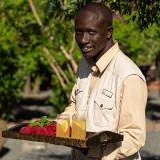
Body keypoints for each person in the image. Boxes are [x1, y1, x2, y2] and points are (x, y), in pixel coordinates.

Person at [62, 2, 147, 160]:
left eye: (91, 32)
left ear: (108, 32)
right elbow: (75, 107)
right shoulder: (84, 64)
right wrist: (55, 127)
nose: (83, 40)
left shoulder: (129, 76)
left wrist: (93, 152)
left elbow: (134, 137)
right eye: (78, 32)